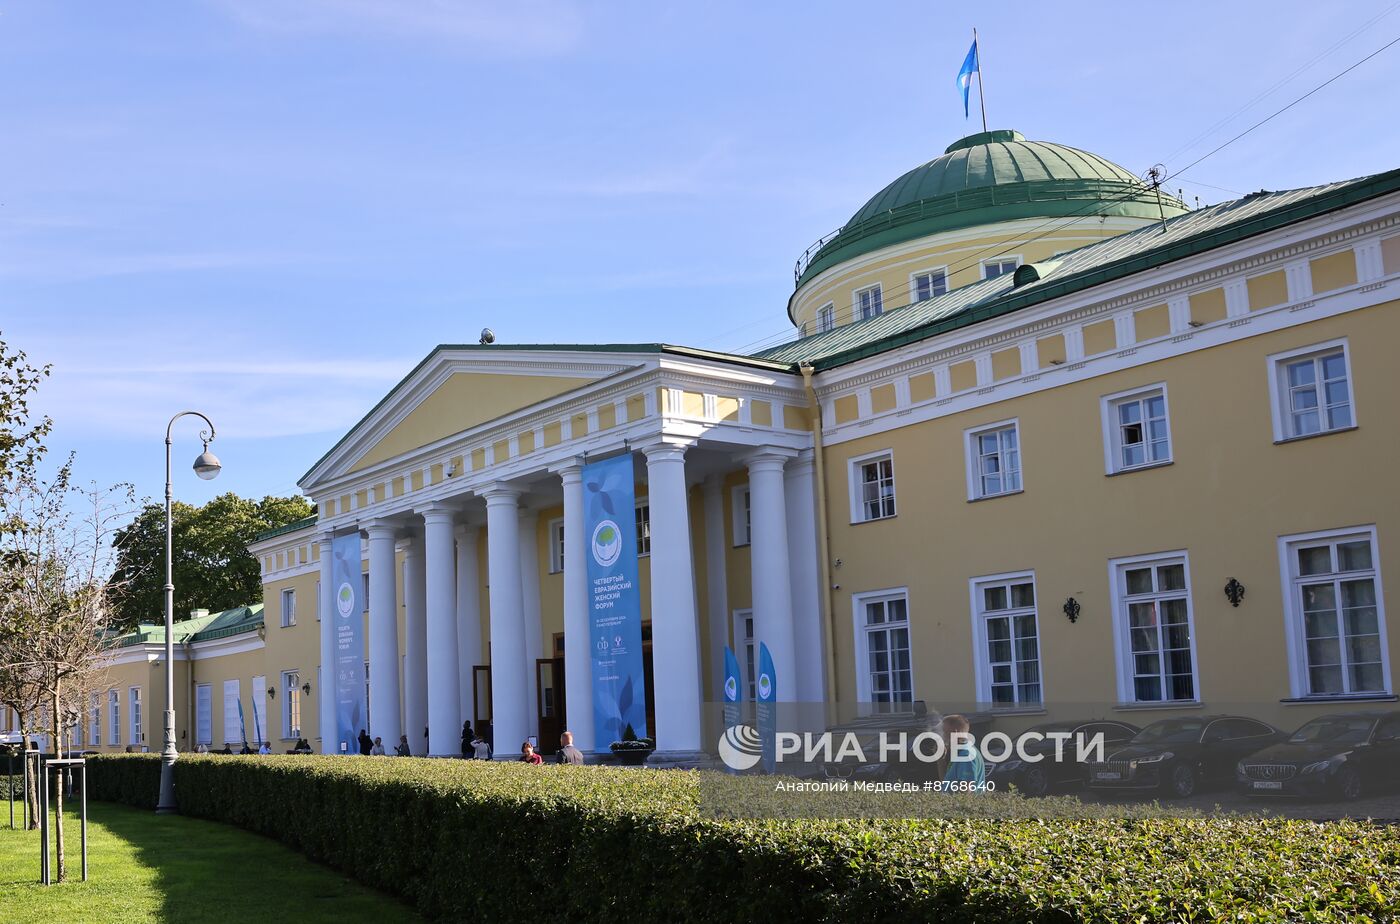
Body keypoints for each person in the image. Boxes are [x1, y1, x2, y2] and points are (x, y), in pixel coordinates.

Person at [941, 714, 985, 786]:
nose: (942, 735)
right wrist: (940, 760)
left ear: (954, 733)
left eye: (944, 731)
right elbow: (946, 785)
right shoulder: (961, 751)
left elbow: (965, 794)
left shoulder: (966, 755)